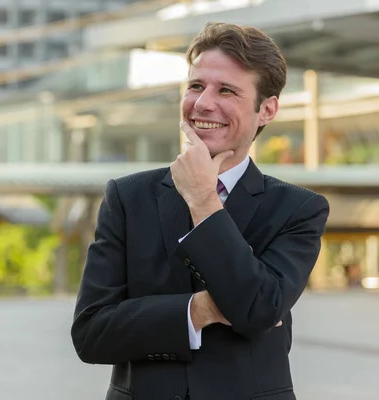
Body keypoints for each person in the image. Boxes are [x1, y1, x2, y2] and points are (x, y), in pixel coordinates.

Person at [71, 22, 330, 400]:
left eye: (226, 90)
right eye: (196, 86)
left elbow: (259, 310)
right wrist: (198, 310)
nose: (203, 103)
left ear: (267, 109)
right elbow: (91, 334)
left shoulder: (298, 209)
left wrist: (203, 201)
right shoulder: (127, 198)